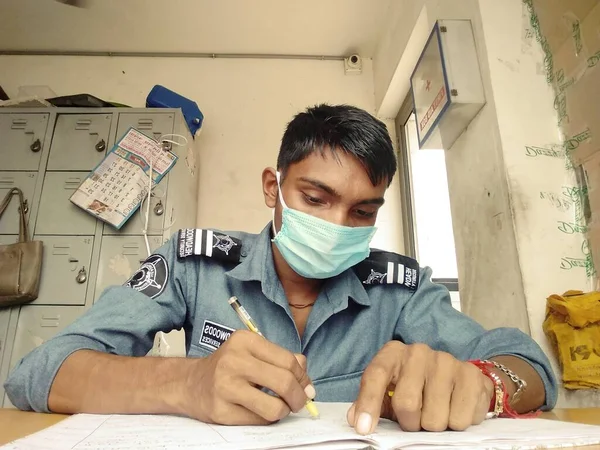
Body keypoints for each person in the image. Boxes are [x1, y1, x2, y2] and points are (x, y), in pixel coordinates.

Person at [5, 104, 557, 435]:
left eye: (362, 211)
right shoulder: (195, 262)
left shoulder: (399, 287)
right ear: (274, 188)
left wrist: (487, 383)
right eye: (316, 198)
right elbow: (39, 371)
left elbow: (529, 364)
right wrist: (187, 383)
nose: (339, 224)